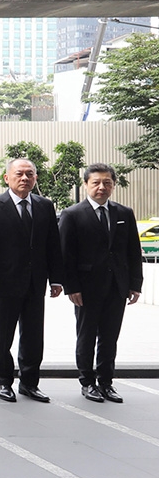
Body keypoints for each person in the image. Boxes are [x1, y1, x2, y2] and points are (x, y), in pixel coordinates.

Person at [0, 157, 64, 403]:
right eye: (19, 174)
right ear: (7, 178)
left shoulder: (45, 206)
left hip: (35, 283)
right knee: (2, 336)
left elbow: (53, 246)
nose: (24, 178)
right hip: (3, 285)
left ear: (36, 178)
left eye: (30, 174)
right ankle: (3, 382)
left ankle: (29, 383)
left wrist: (56, 280)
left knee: (34, 335)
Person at [57, 163, 143, 403]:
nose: (102, 187)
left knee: (110, 336)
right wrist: (71, 287)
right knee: (86, 335)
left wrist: (135, 284)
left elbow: (133, 251)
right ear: (86, 184)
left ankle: (106, 381)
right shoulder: (72, 214)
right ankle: (87, 382)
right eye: (96, 182)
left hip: (117, 285)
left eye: (107, 182)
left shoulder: (124, 213)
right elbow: (66, 255)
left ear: (113, 185)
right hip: (86, 287)